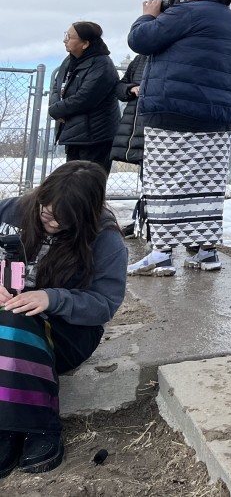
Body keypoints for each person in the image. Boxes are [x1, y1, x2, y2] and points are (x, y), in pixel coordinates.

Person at [0, 161, 127, 477]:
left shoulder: (106, 239)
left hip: (66, 333)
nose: (51, 222)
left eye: (62, 219)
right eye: (46, 213)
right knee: (9, 319)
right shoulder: (11, 212)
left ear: (85, 216)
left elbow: (103, 305)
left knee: (14, 323)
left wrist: (51, 297)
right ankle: (7, 425)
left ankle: (39, 427)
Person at [125, 0, 231, 277]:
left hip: (174, 111)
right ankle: (206, 251)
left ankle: (161, 254)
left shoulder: (189, 12)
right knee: (206, 187)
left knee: (164, 183)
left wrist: (149, 15)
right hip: (218, 117)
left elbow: (140, 41)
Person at [48, 21, 120, 174]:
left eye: (69, 37)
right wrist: (56, 107)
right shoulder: (69, 60)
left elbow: (85, 97)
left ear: (85, 43)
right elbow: (57, 85)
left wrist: (57, 110)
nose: (65, 40)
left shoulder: (102, 64)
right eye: (65, 35)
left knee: (89, 186)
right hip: (74, 134)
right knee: (71, 184)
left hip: (95, 137)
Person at [109, 53, 149, 237]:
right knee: (146, 179)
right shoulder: (141, 58)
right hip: (137, 125)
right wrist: (131, 88)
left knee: (155, 180)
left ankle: (153, 224)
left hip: (159, 124)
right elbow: (120, 87)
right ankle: (141, 223)